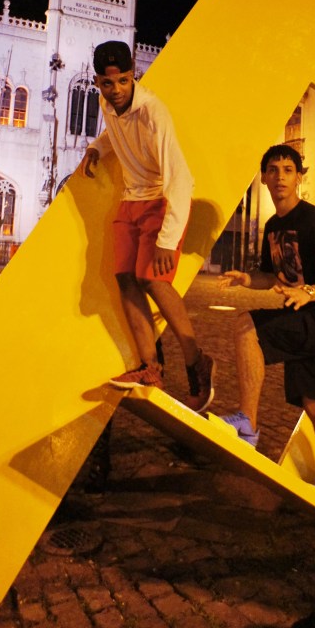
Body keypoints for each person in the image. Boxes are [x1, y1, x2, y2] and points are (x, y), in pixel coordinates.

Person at [79, 40, 215, 412]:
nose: (117, 90)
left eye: (123, 81)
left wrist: (167, 241)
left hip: (159, 199)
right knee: (125, 278)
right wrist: (97, 148)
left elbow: (181, 180)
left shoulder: (154, 112)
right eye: (108, 84)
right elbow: (115, 132)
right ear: (97, 83)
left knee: (153, 279)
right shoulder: (108, 105)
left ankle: (195, 360)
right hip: (130, 199)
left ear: (133, 75)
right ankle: (149, 367)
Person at [218, 144, 315, 512]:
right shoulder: (273, 226)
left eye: (288, 169)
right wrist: (247, 277)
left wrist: (308, 293)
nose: (280, 176)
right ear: (263, 177)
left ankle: (247, 423)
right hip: (303, 315)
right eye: (273, 169)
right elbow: (273, 275)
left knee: (248, 327)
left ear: (299, 176)